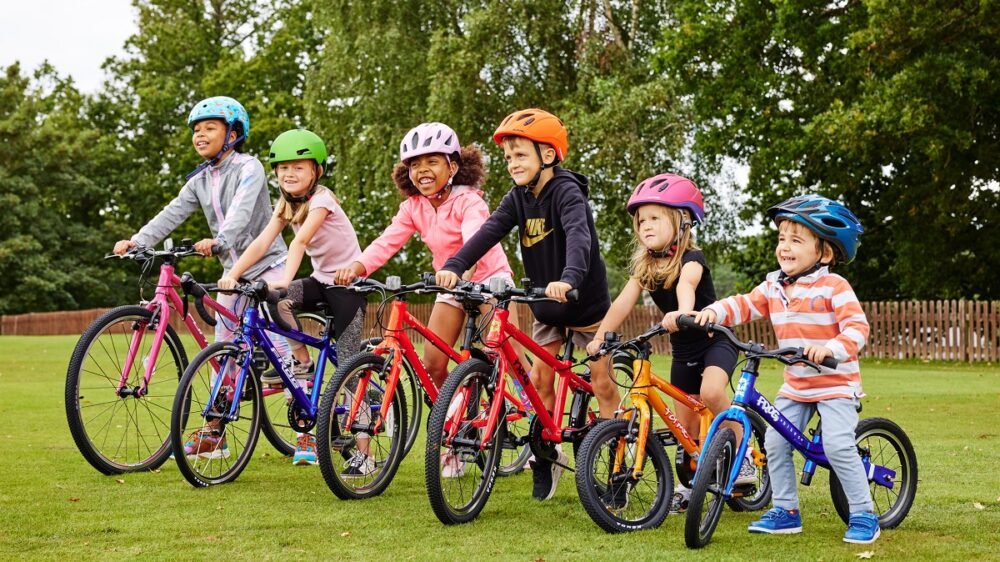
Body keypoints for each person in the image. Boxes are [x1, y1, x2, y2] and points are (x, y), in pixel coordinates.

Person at [436, 108, 617, 501]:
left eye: (521, 155)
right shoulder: (518, 198)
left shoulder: (567, 192)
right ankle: (547, 455)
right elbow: (489, 232)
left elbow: (578, 238)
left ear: (548, 156)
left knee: (602, 381)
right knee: (540, 382)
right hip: (547, 308)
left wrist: (569, 279)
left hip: (586, 307)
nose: (512, 164)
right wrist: (455, 264)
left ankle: (615, 460)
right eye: (508, 158)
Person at [333, 122, 516, 478]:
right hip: (450, 287)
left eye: (432, 161)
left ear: (452, 165)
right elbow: (388, 241)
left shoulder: (468, 200)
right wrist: (357, 266)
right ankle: (456, 430)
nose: (422, 171)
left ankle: (533, 433)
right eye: (415, 165)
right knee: (433, 364)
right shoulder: (414, 207)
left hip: (489, 282)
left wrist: (456, 268)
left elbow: (473, 240)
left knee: (502, 361)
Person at [113, 96, 290, 460]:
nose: (200, 135)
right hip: (231, 274)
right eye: (196, 130)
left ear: (233, 134)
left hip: (269, 267)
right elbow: (173, 211)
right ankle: (215, 432)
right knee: (220, 349)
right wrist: (138, 240)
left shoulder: (249, 167)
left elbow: (241, 211)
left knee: (283, 347)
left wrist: (221, 240)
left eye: (209, 128)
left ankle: (308, 422)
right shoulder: (200, 180)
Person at [693, 194, 878, 544]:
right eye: (781, 239)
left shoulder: (834, 287)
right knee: (776, 441)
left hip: (835, 382)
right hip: (797, 384)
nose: (785, 247)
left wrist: (829, 348)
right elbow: (744, 304)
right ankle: (786, 510)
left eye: (796, 240)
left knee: (838, 445)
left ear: (823, 253)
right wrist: (714, 313)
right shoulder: (775, 286)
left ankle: (864, 512)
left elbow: (858, 328)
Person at [585, 173, 748, 513]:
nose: (645, 225)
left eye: (655, 218)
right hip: (683, 351)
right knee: (684, 430)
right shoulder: (646, 266)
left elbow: (687, 286)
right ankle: (694, 486)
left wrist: (682, 312)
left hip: (713, 341)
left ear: (682, 221)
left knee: (713, 393)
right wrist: (600, 337)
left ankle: (743, 456)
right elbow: (623, 303)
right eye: (641, 220)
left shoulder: (692, 260)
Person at [218, 128, 367, 468]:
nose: (289, 173)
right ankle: (302, 360)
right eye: (283, 168)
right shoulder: (286, 204)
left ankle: (365, 456)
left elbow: (298, 244)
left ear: (317, 171)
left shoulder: (323, 200)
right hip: (320, 281)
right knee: (277, 302)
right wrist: (233, 274)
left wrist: (283, 280)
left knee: (349, 368)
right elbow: (261, 242)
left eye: (299, 167)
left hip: (348, 287)